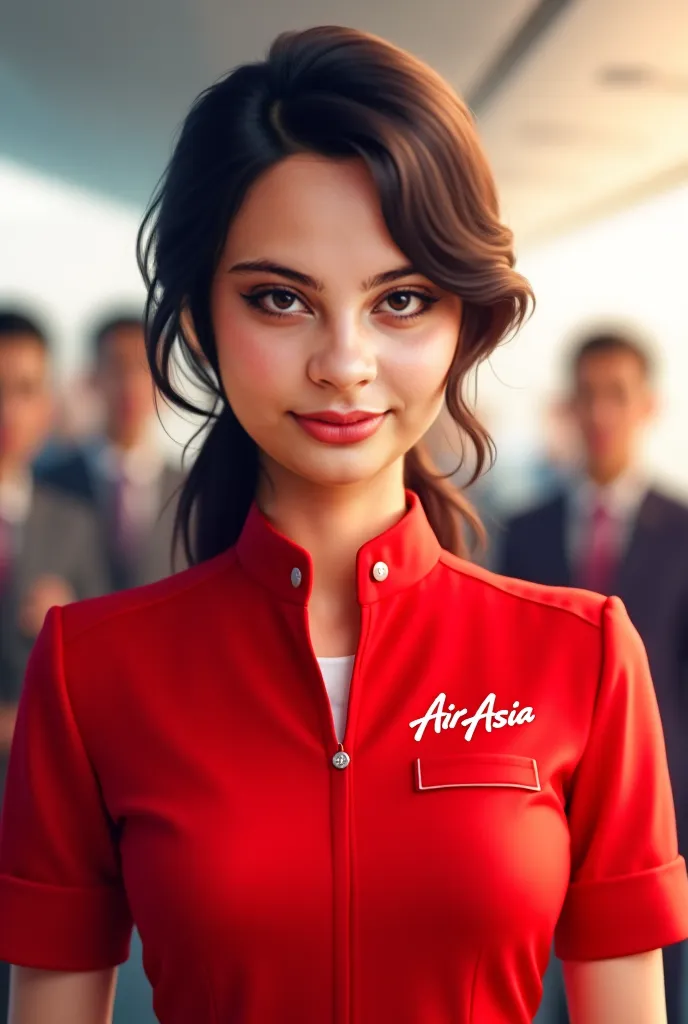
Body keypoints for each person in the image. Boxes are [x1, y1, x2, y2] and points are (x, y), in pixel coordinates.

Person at [0, 27, 687, 1024]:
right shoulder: (90, 673)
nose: (344, 361)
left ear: (463, 324)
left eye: (400, 300)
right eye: (280, 300)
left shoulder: (582, 657)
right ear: (197, 322)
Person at [499, 329, 688, 1024]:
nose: (601, 412)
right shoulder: (525, 530)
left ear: (648, 407)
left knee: (645, 990)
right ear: (568, 408)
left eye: (617, 395)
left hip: (657, 807)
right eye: (587, 395)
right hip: (537, 801)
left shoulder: (685, 530)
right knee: (531, 989)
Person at [0, 310, 107, 1022]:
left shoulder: (73, 523)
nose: (8, 408)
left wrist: (67, 630)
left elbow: (108, 675)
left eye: (25, 388)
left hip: (34, 818)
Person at [39, 313, 185, 590]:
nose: (130, 384)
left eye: (144, 368)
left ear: (165, 381)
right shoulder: (46, 483)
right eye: (117, 366)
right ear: (92, 378)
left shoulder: (193, 491)